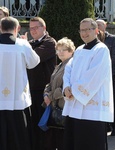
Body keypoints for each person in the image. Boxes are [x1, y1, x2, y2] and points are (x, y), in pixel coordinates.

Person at [62, 18, 114, 150]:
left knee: (90, 143)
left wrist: (73, 90)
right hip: (74, 106)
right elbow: (68, 69)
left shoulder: (101, 50)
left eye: (87, 30)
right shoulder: (79, 50)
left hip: (92, 110)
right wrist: (66, 87)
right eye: (81, 30)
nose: (84, 33)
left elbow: (94, 76)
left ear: (96, 31)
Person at [0, 16, 40, 150]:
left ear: (0, 28)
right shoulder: (22, 45)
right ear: (17, 28)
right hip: (17, 97)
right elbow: (34, 62)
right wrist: (27, 43)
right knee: (19, 134)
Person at [26, 17, 57, 150]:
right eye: (31, 28)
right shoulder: (29, 43)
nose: (32, 30)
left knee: (45, 125)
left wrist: (24, 46)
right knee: (33, 124)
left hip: (44, 91)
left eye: (36, 27)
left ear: (43, 28)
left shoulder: (50, 42)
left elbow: (34, 58)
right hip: (30, 90)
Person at [42, 37, 75, 150]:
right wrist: (46, 93)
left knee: (63, 142)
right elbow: (50, 83)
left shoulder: (72, 65)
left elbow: (65, 88)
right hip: (54, 107)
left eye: (63, 50)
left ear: (71, 51)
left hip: (63, 107)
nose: (60, 52)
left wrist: (50, 96)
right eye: (58, 50)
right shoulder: (59, 65)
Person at [96, 19, 115, 136]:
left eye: (100, 25)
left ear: (105, 26)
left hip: (110, 75)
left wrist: (106, 71)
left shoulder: (112, 38)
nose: (98, 27)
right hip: (97, 77)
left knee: (112, 100)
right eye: (96, 25)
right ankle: (105, 126)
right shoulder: (94, 40)